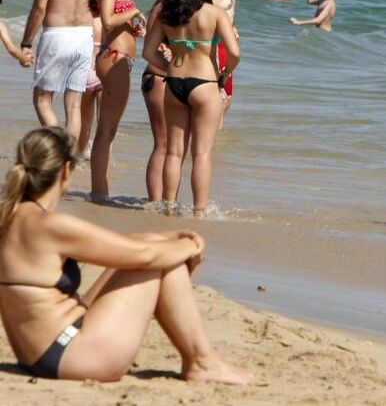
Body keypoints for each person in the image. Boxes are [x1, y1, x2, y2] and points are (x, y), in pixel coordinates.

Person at [0, 126, 251, 384]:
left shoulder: (12, 216)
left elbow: (125, 246)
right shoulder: (50, 225)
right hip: (70, 356)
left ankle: (201, 359)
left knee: (151, 244)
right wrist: (192, 246)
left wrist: (171, 238)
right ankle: (201, 361)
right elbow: (145, 257)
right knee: (158, 257)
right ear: (66, 170)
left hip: (40, 354)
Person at [143, 0, 239, 218]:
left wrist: (169, 64)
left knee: (174, 152)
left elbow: (148, 52)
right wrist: (224, 73)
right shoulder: (214, 13)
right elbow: (234, 52)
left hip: (174, 82)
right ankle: (199, 211)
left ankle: (169, 208)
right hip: (205, 83)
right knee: (202, 153)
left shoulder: (166, 12)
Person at [20, 0, 97, 140]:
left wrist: (26, 43)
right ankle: (69, 158)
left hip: (57, 35)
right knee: (73, 104)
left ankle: (59, 146)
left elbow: (40, 8)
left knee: (42, 98)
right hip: (84, 37)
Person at [88, 0, 148, 203]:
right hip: (113, 57)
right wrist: (133, 13)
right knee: (107, 129)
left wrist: (131, 27)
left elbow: (116, 22)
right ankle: (99, 192)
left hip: (118, 55)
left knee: (109, 129)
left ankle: (102, 190)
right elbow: (108, 21)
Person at [141, 0, 173, 205]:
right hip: (158, 75)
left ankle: (162, 201)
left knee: (169, 145)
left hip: (163, 75)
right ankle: (156, 202)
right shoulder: (162, 8)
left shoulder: (168, 6)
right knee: (163, 144)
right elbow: (149, 47)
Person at [212, 0, 242, 111]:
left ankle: (217, 136)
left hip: (226, 46)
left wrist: (233, 27)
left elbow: (227, 14)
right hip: (216, 45)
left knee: (226, 100)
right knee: (219, 100)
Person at [77, 17, 103, 158]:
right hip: (104, 71)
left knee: (84, 119)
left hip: (84, 71)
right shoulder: (108, 18)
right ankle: (102, 157)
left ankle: (82, 151)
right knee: (105, 123)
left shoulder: (85, 17)